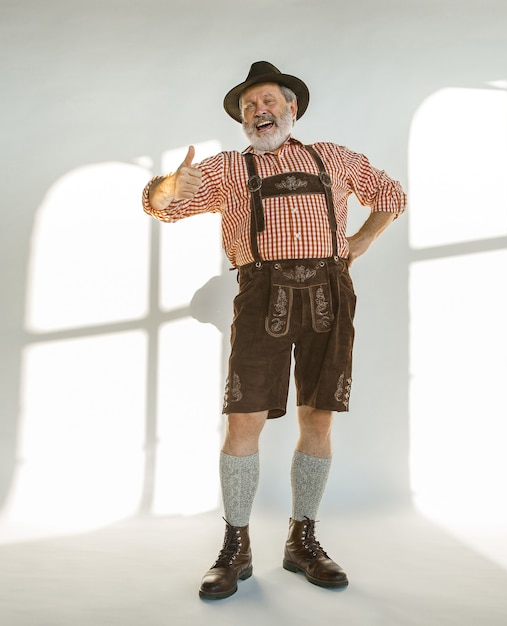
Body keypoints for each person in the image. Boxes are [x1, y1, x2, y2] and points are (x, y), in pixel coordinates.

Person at [142, 61, 406, 600]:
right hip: (261, 294)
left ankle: (302, 540)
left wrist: (361, 241)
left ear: (291, 108)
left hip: (330, 295)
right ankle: (234, 547)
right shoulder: (226, 169)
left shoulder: (335, 157)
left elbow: (392, 196)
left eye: (266, 103)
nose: (257, 113)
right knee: (243, 422)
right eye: (248, 107)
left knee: (319, 417)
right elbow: (159, 208)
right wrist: (169, 184)